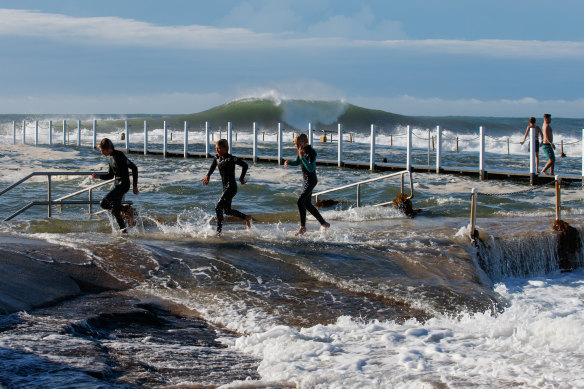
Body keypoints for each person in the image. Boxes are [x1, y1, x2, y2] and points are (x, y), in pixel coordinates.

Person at [202, 139, 252, 233]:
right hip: (225, 188)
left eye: (219, 148)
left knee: (218, 207)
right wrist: (208, 176)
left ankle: (218, 232)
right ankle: (246, 218)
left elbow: (245, 165)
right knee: (227, 211)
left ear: (225, 148)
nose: (217, 150)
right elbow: (213, 166)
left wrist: (241, 179)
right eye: (216, 148)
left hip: (232, 187)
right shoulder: (217, 158)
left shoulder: (231, 158)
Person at [284, 133, 330, 236]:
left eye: (298, 144)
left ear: (305, 142)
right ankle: (324, 223)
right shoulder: (301, 150)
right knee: (307, 204)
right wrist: (289, 162)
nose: (297, 147)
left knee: (300, 201)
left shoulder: (312, 152)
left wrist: (302, 157)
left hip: (311, 180)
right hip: (305, 181)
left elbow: (311, 168)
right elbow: (297, 161)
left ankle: (303, 227)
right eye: (295, 144)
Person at [92, 138, 139, 232]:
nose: (101, 152)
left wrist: (135, 186)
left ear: (109, 148)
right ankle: (124, 232)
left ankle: (127, 209)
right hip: (117, 185)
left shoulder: (119, 155)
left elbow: (134, 168)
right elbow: (110, 176)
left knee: (103, 202)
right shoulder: (110, 157)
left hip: (124, 185)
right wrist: (99, 176)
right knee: (115, 211)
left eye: (102, 150)